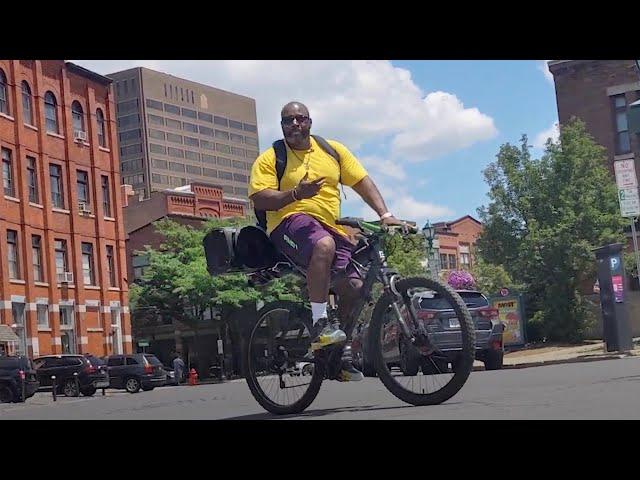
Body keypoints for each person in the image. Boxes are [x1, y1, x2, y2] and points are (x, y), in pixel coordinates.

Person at [249, 101, 403, 382]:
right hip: (288, 223)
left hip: (330, 226)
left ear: (310, 122)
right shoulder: (271, 157)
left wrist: (385, 214)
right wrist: (296, 194)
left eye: (300, 119)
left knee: (355, 287)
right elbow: (259, 197)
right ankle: (320, 324)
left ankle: (337, 354)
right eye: (287, 121)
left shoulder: (332, 150)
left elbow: (361, 181)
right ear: (281, 126)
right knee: (323, 245)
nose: (294, 124)